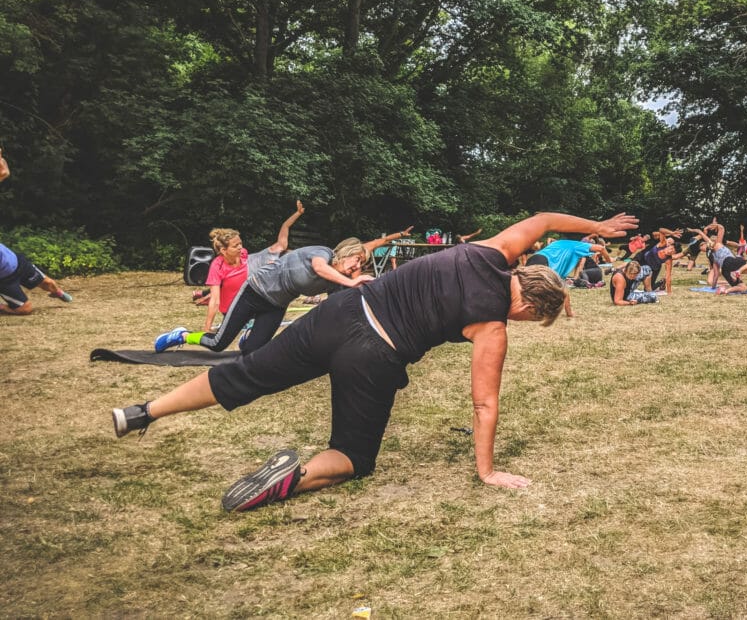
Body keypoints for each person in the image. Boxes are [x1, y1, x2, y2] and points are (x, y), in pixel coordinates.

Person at [112, 211, 637, 512]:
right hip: (373, 356)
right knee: (352, 458)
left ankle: (143, 412)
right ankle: (288, 481)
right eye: (529, 319)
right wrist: (487, 471)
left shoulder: (490, 252)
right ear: (526, 304)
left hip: (341, 312)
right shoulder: (492, 326)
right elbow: (484, 405)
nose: (521, 323)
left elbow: (543, 219)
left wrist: (600, 225)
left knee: (244, 374)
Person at [154, 203, 407, 354]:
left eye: (359, 266)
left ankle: (248, 340)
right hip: (254, 292)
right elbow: (319, 268)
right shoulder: (321, 253)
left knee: (253, 352)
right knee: (218, 343)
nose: (356, 267)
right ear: (347, 254)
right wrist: (352, 280)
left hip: (275, 305)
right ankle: (182, 336)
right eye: (356, 262)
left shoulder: (336, 280)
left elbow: (341, 307)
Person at [0, 242, 73, 313]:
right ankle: (2, 307)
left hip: (18, 262)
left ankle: (58, 293)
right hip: (5, 280)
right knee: (25, 309)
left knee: (49, 283)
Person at [689, 221, 747, 294]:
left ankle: (726, 291)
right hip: (730, 261)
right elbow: (721, 228)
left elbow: (716, 274)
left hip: (725, 271)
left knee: (743, 288)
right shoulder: (718, 244)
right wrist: (713, 225)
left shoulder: (713, 257)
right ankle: (738, 272)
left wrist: (713, 287)